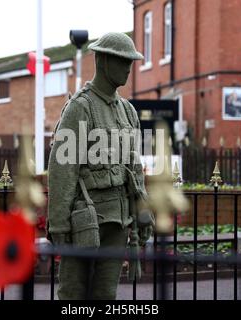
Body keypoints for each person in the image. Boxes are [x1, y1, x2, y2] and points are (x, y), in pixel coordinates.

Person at [47, 32, 153, 300]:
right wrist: (59, 224)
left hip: (118, 221)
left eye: (131, 61)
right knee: (74, 293)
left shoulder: (127, 111)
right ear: (104, 61)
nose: (129, 67)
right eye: (122, 60)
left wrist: (143, 211)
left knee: (106, 295)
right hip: (85, 221)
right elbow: (63, 169)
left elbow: (134, 167)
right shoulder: (80, 108)